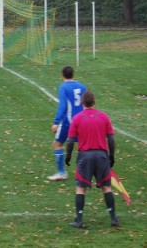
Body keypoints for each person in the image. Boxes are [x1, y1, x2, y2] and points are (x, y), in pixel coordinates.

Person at [65, 90, 119, 229]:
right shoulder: (104, 117)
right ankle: (113, 219)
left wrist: (68, 155)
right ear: (94, 102)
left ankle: (79, 220)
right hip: (102, 155)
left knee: (81, 188)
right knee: (106, 187)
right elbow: (111, 139)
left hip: (85, 157)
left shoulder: (77, 118)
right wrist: (111, 155)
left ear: (82, 103)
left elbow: (70, 140)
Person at [48, 65, 87, 181]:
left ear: (62, 75)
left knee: (57, 144)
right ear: (73, 75)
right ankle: (85, 173)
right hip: (82, 121)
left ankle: (61, 173)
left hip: (69, 122)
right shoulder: (82, 87)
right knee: (83, 146)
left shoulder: (63, 87)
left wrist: (56, 122)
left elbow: (63, 106)